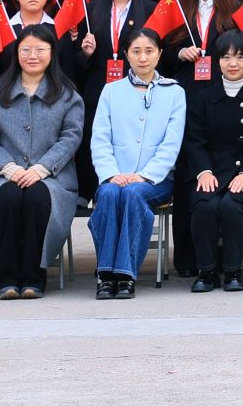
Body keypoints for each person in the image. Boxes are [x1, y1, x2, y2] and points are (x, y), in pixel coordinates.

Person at [0, 26, 85, 299]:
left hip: (52, 177)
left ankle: (34, 277)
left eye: (40, 50)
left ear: (52, 53)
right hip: (5, 174)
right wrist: (8, 167)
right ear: (16, 53)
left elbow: (71, 137)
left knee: (37, 197)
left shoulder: (67, 94)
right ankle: (6, 278)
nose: (32, 55)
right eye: (26, 49)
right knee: (9, 197)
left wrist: (42, 168)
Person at [88, 27, 185, 300]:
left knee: (133, 194)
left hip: (156, 180)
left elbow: (171, 144)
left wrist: (145, 175)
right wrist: (111, 174)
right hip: (115, 177)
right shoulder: (111, 91)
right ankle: (105, 274)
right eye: (136, 51)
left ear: (159, 54)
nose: (143, 58)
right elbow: (100, 139)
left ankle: (125, 274)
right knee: (109, 194)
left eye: (149, 51)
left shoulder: (174, 93)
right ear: (126, 54)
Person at [181, 30, 243, 292]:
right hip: (212, 169)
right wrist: (203, 171)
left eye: (240, 57)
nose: (233, 63)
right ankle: (206, 271)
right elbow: (194, 140)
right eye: (226, 57)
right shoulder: (204, 97)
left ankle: (233, 270)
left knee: (232, 205)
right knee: (204, 204)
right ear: (218, 61)